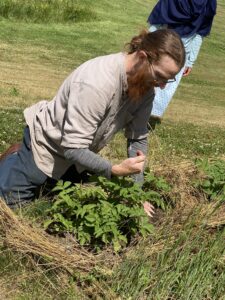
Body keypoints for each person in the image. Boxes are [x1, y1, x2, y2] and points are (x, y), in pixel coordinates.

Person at [0, 29, 185, 212]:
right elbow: (73, 147)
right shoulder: (97, 82)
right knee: (12, 212)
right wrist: (112, 169)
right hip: (44, 149)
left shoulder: (145, 88)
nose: (161, 86)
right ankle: (16, 158)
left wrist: (136, 194)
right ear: (143, 58)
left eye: (168, 80)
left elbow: (138, 139)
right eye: (160, 76)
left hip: (75, 161)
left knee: (55, 209)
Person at [147, 0, 217, 129]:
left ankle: (146, 119)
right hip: (161, 49)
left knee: (162, 88)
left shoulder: (208, 2)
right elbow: (158, 22)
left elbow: (199, 33)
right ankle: (138, 116)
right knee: (147, 82)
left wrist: (190, 61)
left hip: (176, 55)